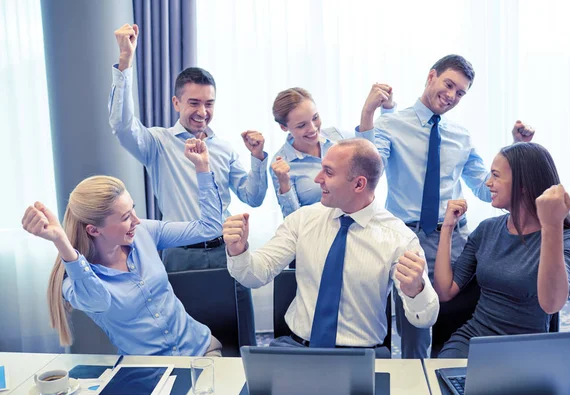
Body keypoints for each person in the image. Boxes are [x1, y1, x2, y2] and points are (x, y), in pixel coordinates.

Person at [357, 54, 536, 358]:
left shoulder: (461, 136)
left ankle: (451, 377)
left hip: (452, 238)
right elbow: (367, 170)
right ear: (431, 76)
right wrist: (368, 113)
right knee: (414, 326)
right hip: (406, 237)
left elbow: (484, 187)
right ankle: (415, 380)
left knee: (460, 314)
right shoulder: (391, 124)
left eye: (461, 92)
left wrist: (520, 148)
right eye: (448, 84)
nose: (452, 96)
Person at [109, 23, 267, 346]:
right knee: (188, 343)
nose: (203, 112)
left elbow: (253, 196)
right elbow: (122, 125)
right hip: (181, 256)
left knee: (240, 339)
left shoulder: (223, 147)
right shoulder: (158, 143)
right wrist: (125, 61)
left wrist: (258, 158)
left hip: (227, 252)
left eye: (209, 103)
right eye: (194, 103)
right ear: (176, 103)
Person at [224, 138, 440, 359]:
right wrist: (238, 251)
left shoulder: (399, 238)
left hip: (361, 358)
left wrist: (417, 290)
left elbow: (425, 318)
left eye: (328, 172)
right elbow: (254, 276)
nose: (317, 179)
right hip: (297, 351)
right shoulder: (303, 219)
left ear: (359, 184)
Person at [21, 139, 226, 356]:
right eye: (126, 217)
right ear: (93, 230)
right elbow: (98, 300)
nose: (137, 221)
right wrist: (60, 241)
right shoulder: (75, 282)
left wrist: (202, 168)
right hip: (150, 375)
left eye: (133, 210)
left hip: (200, 350)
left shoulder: (144, 232)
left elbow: (210, 228)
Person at [433, 142, 570, 358]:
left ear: (523, 184)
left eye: (495, 175)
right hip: (474, 340)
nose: (488, 183)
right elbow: (444, 291)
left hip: (526, 350)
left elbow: (551, 305)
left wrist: (552, 225)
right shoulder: (487, 229)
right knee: (442, 383)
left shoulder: (567, 239)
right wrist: (447, 227)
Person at [270, 87, 394, 218]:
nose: (312, 129)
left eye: (315, 118)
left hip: (360, 225)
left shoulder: (337, 137)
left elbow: (371, 163)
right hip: (319, 234)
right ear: (284, 127)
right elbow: (292, 221)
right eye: (301, 125)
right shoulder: (281, 165)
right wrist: (284, 184)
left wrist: (376, 111)